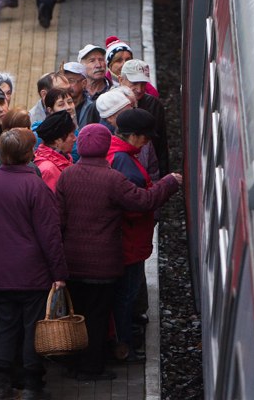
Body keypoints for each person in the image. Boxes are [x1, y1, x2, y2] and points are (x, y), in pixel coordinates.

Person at [55, 124, 181, 379]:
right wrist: (168, 183)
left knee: (77, 313)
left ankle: (74, 364)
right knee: (98, 316)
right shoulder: (113, 179)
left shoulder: (67, 176)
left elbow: (59, 218)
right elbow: (144, 201)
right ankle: (92, 368)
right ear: (104, 147)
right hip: (103, 263)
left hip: (72, 261)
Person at [0, 129, 68, 400]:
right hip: (32, 272)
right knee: (32, 326)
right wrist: (59, 273)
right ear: (27, 154)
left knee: (6, 325)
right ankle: (32, 385)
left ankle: (1, 384)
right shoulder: (35, 186)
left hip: (1, 272)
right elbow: (49, 234)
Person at [105, 111, 165, 362]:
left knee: (124, 297)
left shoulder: (118, 154)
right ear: (134, 136)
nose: (148, 143)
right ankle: (123, 347)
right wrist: (162, 189)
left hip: (128, 242)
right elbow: (133, 206)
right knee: (125, 298)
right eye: (145, 137)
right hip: (128, 243)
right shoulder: (124, 162)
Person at [33, 111, 76, 191]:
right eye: (71, 135)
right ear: (58, 141)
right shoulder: (47, 170)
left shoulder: (65, 159)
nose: (75, 139)